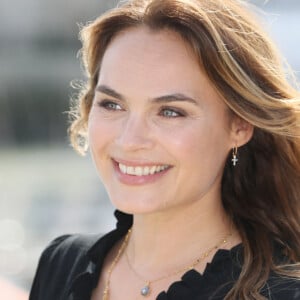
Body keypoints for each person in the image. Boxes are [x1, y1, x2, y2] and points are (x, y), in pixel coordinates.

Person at [29, 0, 300, 299]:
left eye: (170, 111)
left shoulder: (282, 293)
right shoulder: (60, 265)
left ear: (240, 126)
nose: (130, 140)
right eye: (112, 104)